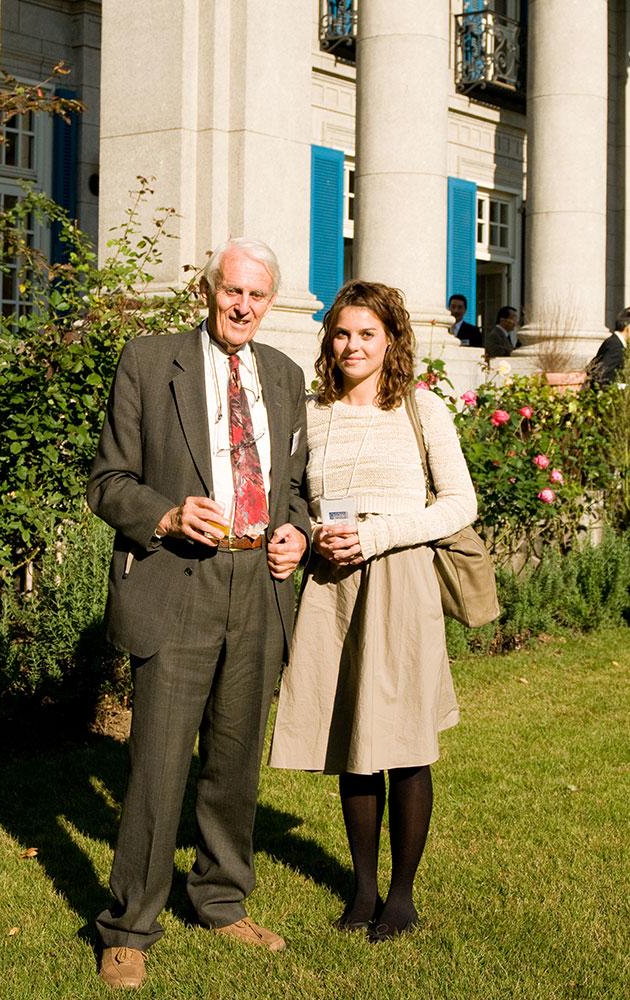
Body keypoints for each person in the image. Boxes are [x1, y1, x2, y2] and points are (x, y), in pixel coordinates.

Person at [87, 237, 310, 990]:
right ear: (208, 290)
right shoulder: (151, 362)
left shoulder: (283, 375)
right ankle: (128, 926)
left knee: (235, 760)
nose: (242, 305)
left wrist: (297, 532)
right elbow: (109, 482)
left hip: (259, 586)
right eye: (231, 290)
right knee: (156, 762)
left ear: (269, 302)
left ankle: (220, 897)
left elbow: (298, 489)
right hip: (178, 579)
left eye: (257, 295)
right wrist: (170, 516)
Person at [270, 279, 477, 942]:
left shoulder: (422, 411)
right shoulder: (311, 412)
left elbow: (458, 505)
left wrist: (378, 532)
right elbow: (295, 499)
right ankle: (362, 889)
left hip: (402, 582)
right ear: (329, 340)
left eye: (366, 333)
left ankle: (403, 895)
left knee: (407, 746)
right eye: (342, 333)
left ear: (391, 341)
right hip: (334, 589)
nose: (352, 345)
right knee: (354, 743)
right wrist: (308, 534)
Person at [587, 306, 630, 386]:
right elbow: (600, 374)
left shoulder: (616, 343)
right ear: (628, 328)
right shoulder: (615, 345)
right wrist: (622, 387)